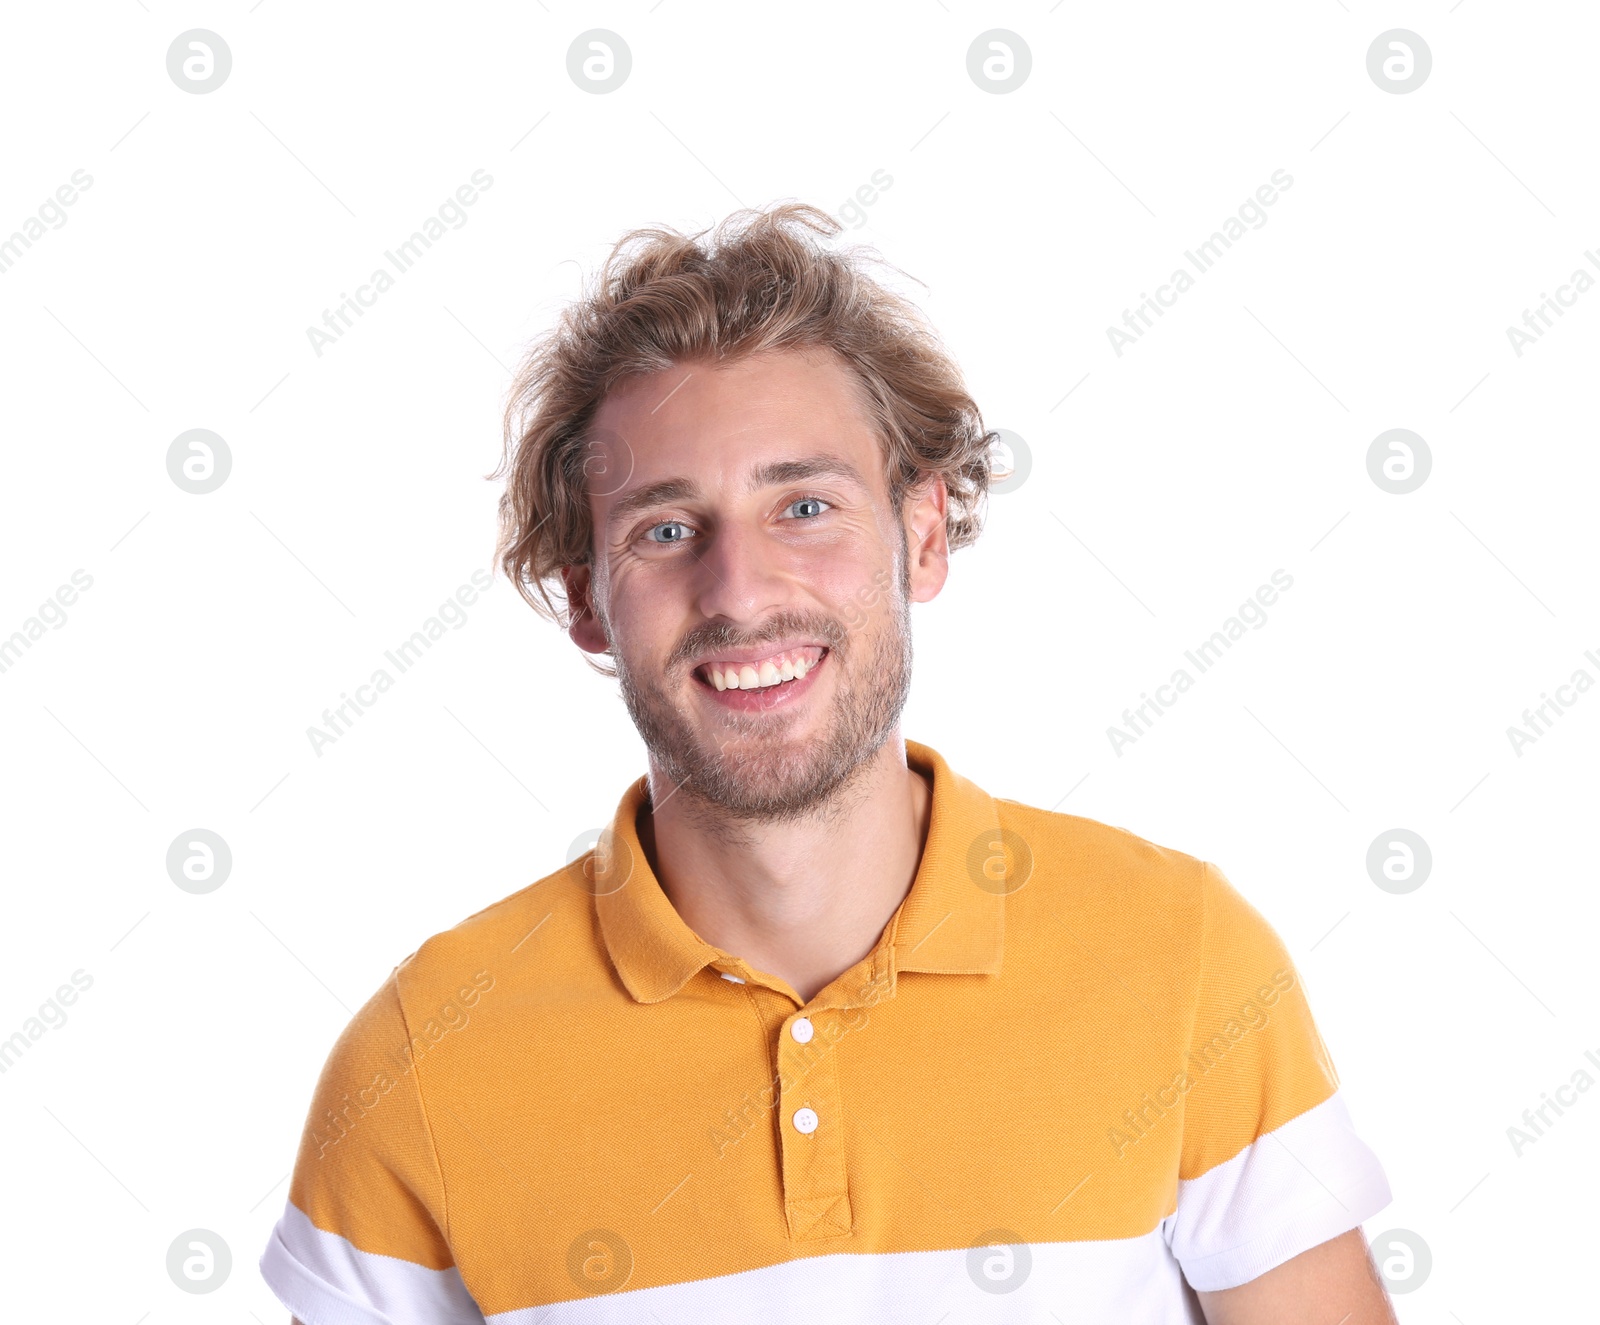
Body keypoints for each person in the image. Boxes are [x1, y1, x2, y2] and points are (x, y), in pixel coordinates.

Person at [260, 203, 1396, 1324]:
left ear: (924, 533)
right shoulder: (421, 1060)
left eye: (803, 505)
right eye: (663, 528)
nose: (740, 590)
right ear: (584, 599)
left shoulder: (1179, 954)